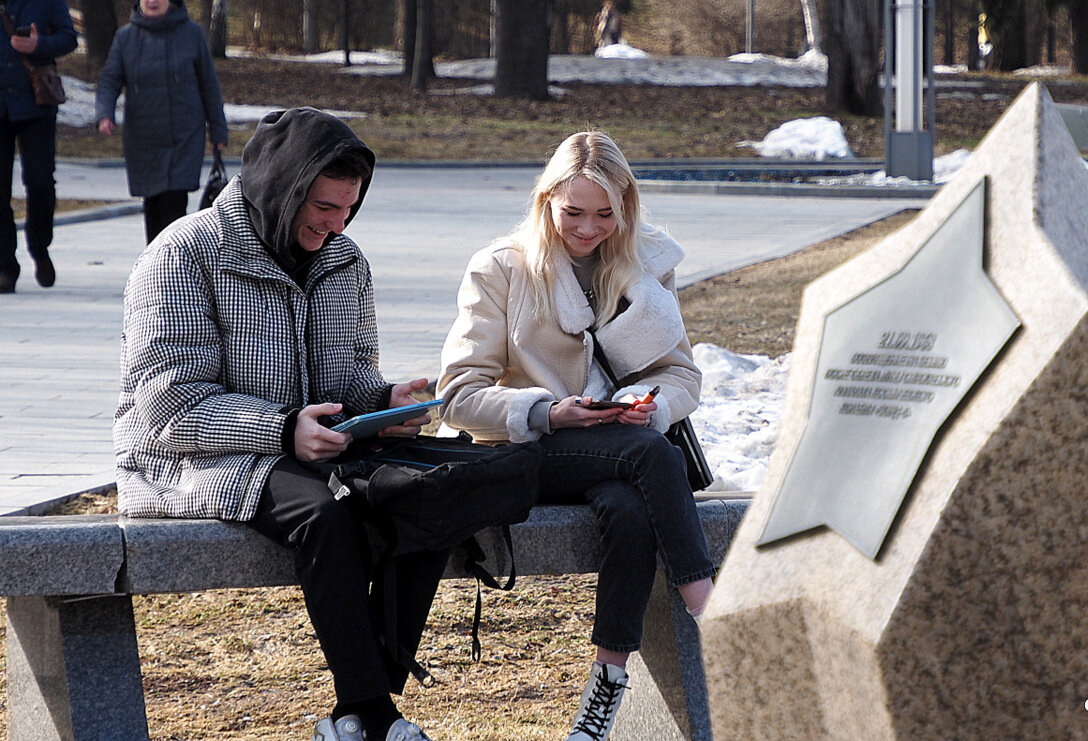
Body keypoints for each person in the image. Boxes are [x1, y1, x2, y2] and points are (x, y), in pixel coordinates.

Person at [114, 107, 442, 741]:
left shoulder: (344, 262)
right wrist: (283, 429)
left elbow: (345, 385)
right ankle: (372, 714)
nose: (335, 224)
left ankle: (360, 706)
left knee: (426, 496)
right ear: (281, 187)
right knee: (328, 515)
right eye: (322, 206)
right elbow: (166, 409)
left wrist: (384, 404)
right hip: (194, 461)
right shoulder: (182, 255)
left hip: (305, 451)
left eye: (348, 208)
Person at [437, 130, 716, 741]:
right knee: (648, 455)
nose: (588, 229)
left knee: (630, 505)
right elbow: (457, 396)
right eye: (572, 213)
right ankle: (715, 617)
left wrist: (650, 403)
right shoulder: (501, 268)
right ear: (546, 202)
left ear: (625, 207)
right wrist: (546, 412)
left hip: (617, 455)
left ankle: (605, 684)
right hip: (525, 451)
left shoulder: (645, 267)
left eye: (603, 214)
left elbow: (682, 375)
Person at [96, 0, 228, 244]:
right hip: (144, 138)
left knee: (173, 204)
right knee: (153, 204)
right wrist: (104, 114)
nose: (153, 1)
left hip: (184, 138)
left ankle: (172, 266)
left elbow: (209, 85)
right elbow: (109, 79)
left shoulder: (192, 34)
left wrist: (218, 130)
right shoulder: (126, 38)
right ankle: (155, 266)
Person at [0, 0, 76, 293]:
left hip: (36, 102)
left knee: (40, 180)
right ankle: (5, 265)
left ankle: (39, 245)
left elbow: (68, 37)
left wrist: (38, 45)